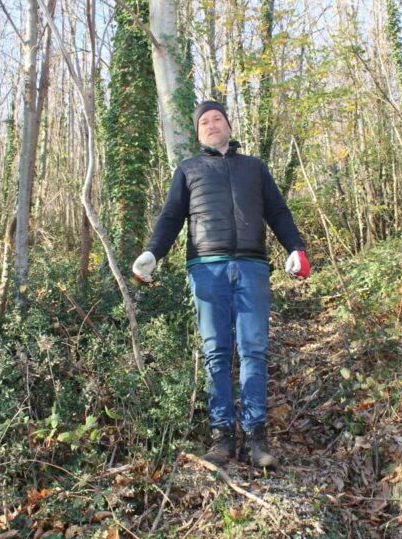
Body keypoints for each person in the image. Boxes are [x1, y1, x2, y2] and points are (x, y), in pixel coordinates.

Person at [132, 100, 309, 469]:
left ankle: (256, 438)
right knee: (216, 351)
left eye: (217, 119)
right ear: (198, 133)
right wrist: (153, 252)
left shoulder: (255, 169)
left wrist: (295, 247)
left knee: (253, 350)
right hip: (206, 269)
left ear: (228, 126)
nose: (212, 125)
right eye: (204, 123)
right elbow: (171, 216)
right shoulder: (188, 169)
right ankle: (222, 436)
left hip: (252, 267)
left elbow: (277, 211)